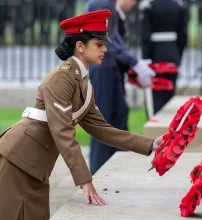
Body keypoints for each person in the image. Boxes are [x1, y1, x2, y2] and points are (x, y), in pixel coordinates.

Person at [0, 10, 162, 220]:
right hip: (18, 160)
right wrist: (84, 180)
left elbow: (103, 130)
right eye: (98, 44)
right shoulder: (61, 78)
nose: (105, 49)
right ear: (80, 46)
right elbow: (63, 132)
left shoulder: (83, 82)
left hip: (36, 165)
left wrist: (151, 144)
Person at [87, 0, 156, 175]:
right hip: (102, 69)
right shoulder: (102, 4)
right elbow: (106, 39)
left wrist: (133, 65)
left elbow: (114, 37)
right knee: (103, 124)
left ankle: (116, 169)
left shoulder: (109, 5)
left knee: (119, 118)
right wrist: (134, 63)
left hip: (111, 69)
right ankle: (98, 173)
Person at [139, 0, 188, 115]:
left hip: (155, 54)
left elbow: (145, 37)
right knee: (169, 94)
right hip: (172, 52)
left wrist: (145, 59)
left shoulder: (148, 6)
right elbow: (183, 36)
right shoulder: (178, 6)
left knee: (155, 96)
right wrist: (177, 58)